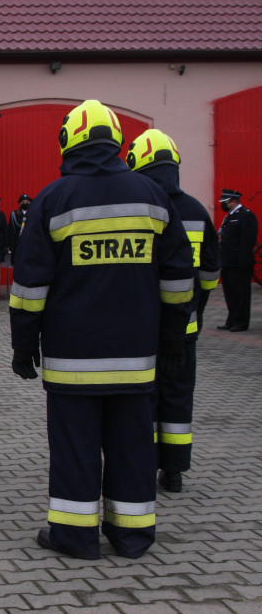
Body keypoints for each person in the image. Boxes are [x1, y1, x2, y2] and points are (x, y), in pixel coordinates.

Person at [10, 99, 193, 561]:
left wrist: (22, 343)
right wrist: (173, 337)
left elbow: (31, 283)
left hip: (73, 358)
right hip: (136, 356)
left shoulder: (53, 199)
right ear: (116, 142)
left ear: (69, 141)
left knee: (76, 449)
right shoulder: (152, 197)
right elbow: (177, 278)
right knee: (133, 446)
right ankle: (132, 537)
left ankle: (74, 537)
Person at [126, 129, 219, 494]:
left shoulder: (141, 208)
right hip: (186, 327)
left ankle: (144, 466)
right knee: (178, 395)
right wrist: (196, 306)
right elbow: (211, 270)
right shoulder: (196, 210)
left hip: (145, 326)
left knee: (146, 397)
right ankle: (175, 471)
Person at [216, 189, 258, 332]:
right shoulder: (229, 217)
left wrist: (243, 261)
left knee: (241, 293)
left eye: (225, 202)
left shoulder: (246, 216)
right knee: (230, 293)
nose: (223, 204)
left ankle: (241, 322)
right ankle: (232, 320)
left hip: (239, 263)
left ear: (233, 201)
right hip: (227, 262)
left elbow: (247, 241)